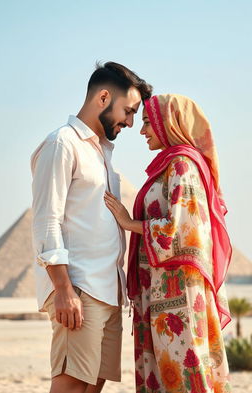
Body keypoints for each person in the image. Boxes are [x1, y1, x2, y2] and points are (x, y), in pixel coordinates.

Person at [31, 61, 152, 393]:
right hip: (80, 288)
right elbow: (46, 220)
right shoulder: (62, 144)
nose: (130, 122)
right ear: (102, 97)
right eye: (128, 111)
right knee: (71, 385)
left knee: (92, 387)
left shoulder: (103, 154)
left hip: (108, 289)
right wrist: (64, 290)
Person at [104, 94, 232, 392]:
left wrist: (128, 223)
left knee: (185, 373)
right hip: (160, 291)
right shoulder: (169, 165)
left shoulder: (182, 165)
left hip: (179, 297)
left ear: (169, 123)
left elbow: (185, 230)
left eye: (148, 122)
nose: (141, 130)